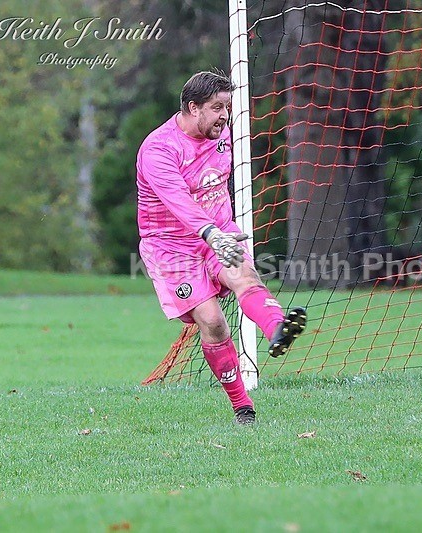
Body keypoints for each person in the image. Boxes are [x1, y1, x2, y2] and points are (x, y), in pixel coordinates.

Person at [136, 69, 306, 425]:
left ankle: (276, 329)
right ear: (193, 107)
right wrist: (212, 233)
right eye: (217, 107)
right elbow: (178, 200)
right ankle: (242, 405)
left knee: (246, 278)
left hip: (220, 234)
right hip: (172, 248)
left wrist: (221, 232)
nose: (225, 116)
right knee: (213, 323)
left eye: (227, 107)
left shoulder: (222, 135)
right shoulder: (158, 149)